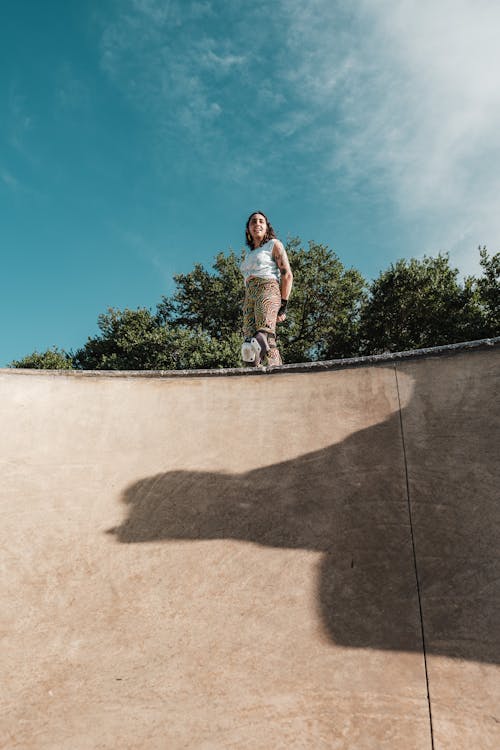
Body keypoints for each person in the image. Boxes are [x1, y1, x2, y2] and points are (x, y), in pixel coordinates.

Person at [240, 211, 293, 366]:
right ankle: (259, 374)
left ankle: (276, 375)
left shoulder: (274, 244)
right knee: (249, 345)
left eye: (261, 221)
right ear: (248, 229)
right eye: (253, 222)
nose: (257, 224)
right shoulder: (249, 255)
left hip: (267, 288)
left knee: (263, 337)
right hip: (249, 295)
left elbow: (287, 274)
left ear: (266, 227)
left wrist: (283, 305)